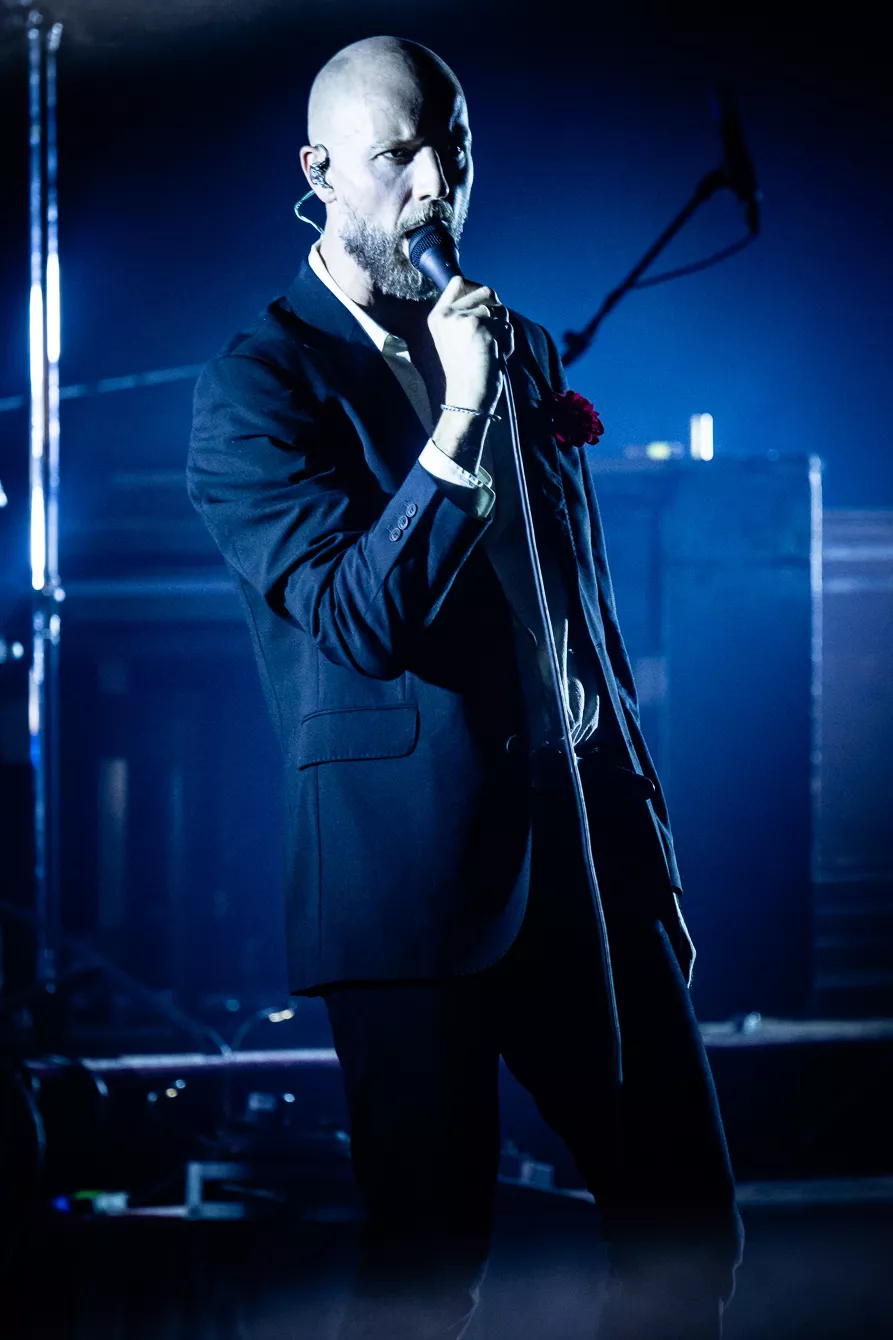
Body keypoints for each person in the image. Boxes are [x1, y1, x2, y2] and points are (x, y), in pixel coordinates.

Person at [187, 35, 744, 1339]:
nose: (437, 184)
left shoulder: (524, 348)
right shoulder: (258, 384)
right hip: (405, 890)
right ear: (321, 170)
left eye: (456, 150)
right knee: (431, 1270)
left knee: (687, 1228)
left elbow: (579, 622)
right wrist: (456, 422)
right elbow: (358, 619)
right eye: (399, 156)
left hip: (583, 866)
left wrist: (648, 863)